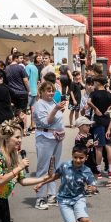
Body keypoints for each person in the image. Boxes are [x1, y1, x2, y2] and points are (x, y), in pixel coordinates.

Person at [36, 144, 105, 222]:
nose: (78, 160)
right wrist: (42, 183)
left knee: (84, 220)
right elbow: (55, 176)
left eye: (81, 158)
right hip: (63, 200)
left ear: (86, 157)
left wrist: (92, 189)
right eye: (75, 157)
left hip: (78, 198)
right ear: (72, 156)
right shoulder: (65, 166)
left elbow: (92, 186)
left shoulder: (87, 171)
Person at [32, 81, 66, 210]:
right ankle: (40, 197)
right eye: (48, 90)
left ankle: (52, 194)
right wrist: (56, 109)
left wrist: (57, 108)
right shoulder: (39, 104)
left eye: (52, 90)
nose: (51, 93)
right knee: (43, 167)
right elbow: (46, 122)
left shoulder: (53, 102)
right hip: (45, 137)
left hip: (57, 137)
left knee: (54, 167)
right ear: (41, 92)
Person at [87, 75, 111, 176]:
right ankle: (110, 169)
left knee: (98, 146)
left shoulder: (94, 93)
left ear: (98, 82)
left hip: (98, 121)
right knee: (108, 145)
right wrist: (109, 108)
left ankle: (97, 170)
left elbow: (88, 102)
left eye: (94, 82)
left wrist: (95, 108)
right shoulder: (109, 94)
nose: (93, 84)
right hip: (107, 121)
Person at [4, 54, 30, 128]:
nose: (22, 60)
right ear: (15, 58)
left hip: (11, 93)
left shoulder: (6, 68)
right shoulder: (20, 67)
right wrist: (29, 90)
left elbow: (5, 81)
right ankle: (22, 129)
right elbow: (25, 80)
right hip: (22, 93)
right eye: (20, 58)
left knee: (14, 112)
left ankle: (15, 128)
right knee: (22, 113)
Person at [24, 57, 40, 133]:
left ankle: (24, 128)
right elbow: (37, 80)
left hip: (29, 91)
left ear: (27, 60)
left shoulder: (27, 67)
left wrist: (28, 90)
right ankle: (33, 127)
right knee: (33, 110)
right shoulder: (35, 67)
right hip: (35, 90)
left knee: (24, 110)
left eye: (24, 60)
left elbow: (25, 79)